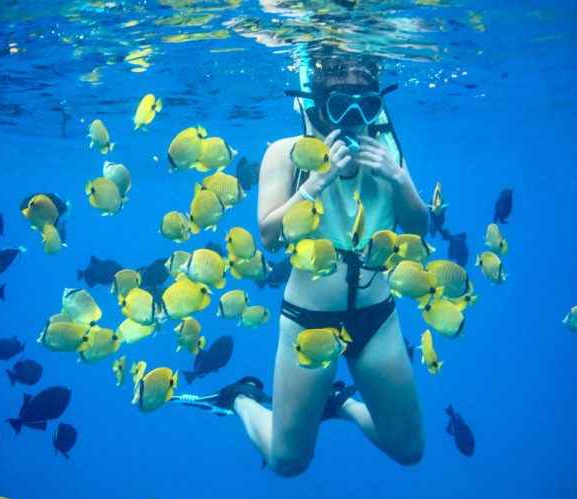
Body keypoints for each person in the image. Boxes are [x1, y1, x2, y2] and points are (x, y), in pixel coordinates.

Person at [179, 54, 427, 477]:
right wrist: (315, 184)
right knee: (287, 461)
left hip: (376, 318)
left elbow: (419, 230)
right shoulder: (285, 153)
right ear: (316, 104)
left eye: (364, 107)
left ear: (377, 106)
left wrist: (399, 179)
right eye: (339, 107)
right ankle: (240, 398)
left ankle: (340, 403)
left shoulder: (387, 151)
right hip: (308, 321)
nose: (352, 121)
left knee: (408, 449)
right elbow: (270, 237)